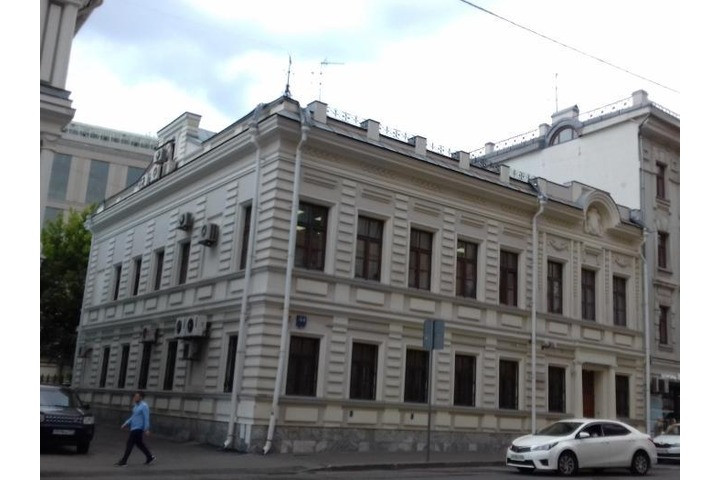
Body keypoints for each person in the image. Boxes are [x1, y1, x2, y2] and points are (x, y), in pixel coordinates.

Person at [114, 391, 156, 466]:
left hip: (138, 428)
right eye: (134, 396)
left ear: (141, 397)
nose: (134, 398)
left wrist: (146, 429)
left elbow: (146, 418)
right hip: (134, 428)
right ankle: (149, 457)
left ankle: (124, 461)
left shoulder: (144, 406)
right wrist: (126, 423)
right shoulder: (136, 406)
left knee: (129, 443)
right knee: (140, 444)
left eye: (136, 396)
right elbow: (133, 417)